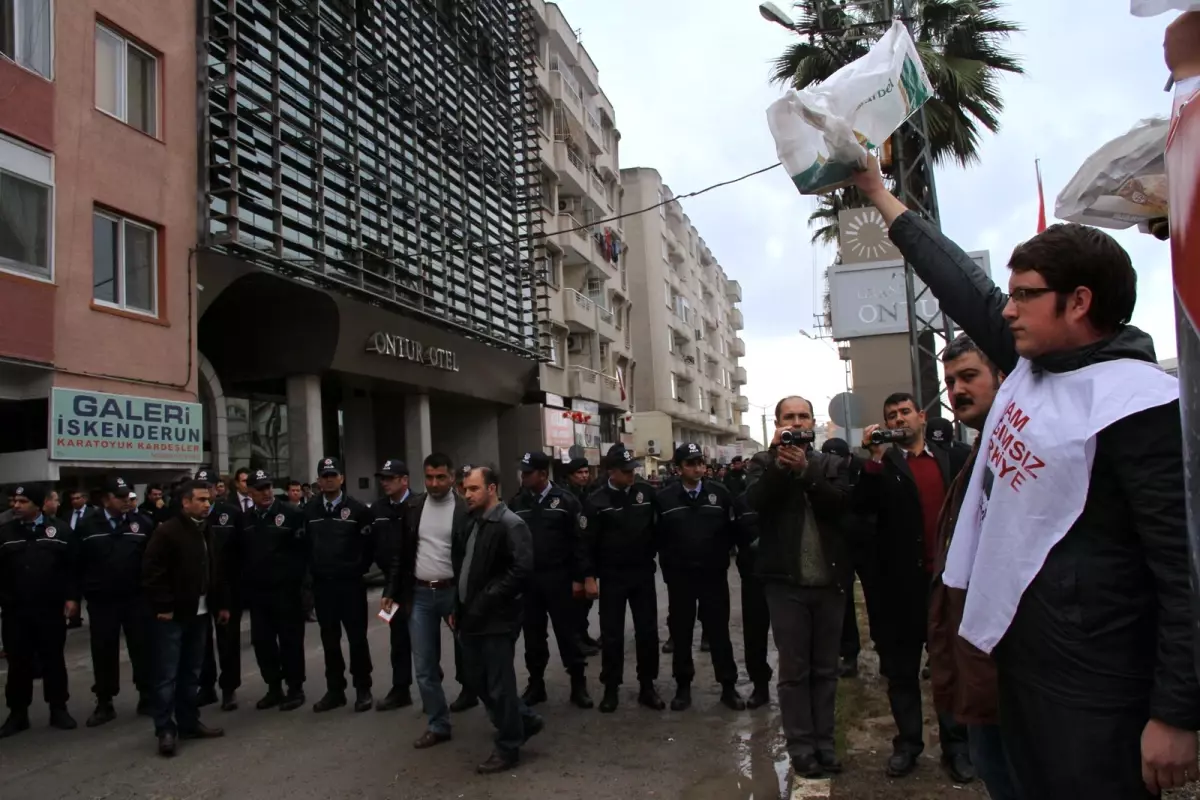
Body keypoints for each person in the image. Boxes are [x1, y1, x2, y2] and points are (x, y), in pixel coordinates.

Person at [853, 155, 1200, 797]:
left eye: (1024, 296)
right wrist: (876, 191)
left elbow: (1182, 569)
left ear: (1079, 302)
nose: (1005, 311)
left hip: (1094, 694)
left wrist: (1177, 712)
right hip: (1010, 662)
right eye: (1007, 295)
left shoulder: (1140, 406)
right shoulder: (1031, 365)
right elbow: (957, 281)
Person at [857, 393, 972, 782]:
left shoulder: (951, 458)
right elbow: (863, 513)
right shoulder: (880, 466)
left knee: (948, 669)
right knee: (901, 672)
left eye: (905, 412)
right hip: (899, 590)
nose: (899, 419)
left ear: (921, 417)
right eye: (891, 415)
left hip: (945, 584)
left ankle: (956, 746)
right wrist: (873, 460)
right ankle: (908, 744)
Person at [926, 334, 1019, 800]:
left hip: (1016, 667)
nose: (957, 390)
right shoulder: (985, 449)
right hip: (980, 657)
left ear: (1002, 376)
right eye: (949, 382)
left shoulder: (1017, 452)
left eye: (969, 377)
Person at [745, 397, 852, 778]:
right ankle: (802, 747)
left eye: (802, 416)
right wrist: (778, 463)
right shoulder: (761, 463)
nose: (796, 423)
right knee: (794, 671)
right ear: (776, 424)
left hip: (829, 582)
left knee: (826, 669)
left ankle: (825, 744)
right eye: (788, 417)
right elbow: (757, 502)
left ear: (814, 422)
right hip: (785, 584)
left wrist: (807, 471)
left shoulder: (832, 463)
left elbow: (840, 505)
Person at [453, 465, 544, 773]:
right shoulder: (473, 523)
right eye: (465, 489)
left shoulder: (510, 524)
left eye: (474, 489)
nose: (467, 494)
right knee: (476, 678)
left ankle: (508, 746)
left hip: (497, 618)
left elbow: (520, 571)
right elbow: (464, 567)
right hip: (472, 617)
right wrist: (460, 605)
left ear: (491, 489)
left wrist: (487, 599)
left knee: (498, 684)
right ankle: (525, 720)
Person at [383, 453, 474, 751]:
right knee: (424, 665)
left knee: (476, 655)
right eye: (429, 477)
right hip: (419, 595)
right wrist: (392, 590)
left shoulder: (465, 508)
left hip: (454, 593)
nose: (434, 483)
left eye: (441, 477)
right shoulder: (413, 507)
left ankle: (503, 713)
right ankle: (438, 723)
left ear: (452, 478)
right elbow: (401, 553)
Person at [656, 443, 744, 712]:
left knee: (718, 632)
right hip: (681, 578)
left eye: (700, 463)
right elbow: (658, 537)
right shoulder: (665, 498)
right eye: (691, 464)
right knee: (681, 634)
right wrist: (670, 568)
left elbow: (732, 531)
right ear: (679, 468)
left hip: (713, 576)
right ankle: (683, 687)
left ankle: (728, 686)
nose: (697, 468)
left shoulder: (719, 493)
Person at [142, 480, 227, 756]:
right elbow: (152, 572)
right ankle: (165, 728)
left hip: (200, 613)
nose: (207, 504)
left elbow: (213, 568)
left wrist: (220, 604)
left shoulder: (206, 529)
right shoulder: (168, 532)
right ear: (185, 502)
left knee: (192, 672)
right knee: (167, 675)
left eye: (209, 499)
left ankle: (189, 722)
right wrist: (164, 605)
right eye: (201, 499)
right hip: (172, 616)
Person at [583, 443, 664, 713]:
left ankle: (647, 685)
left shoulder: (646, 494)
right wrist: (588, 576)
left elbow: (660, 528)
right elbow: (586, 544)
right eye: (626, 471)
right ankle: (611, 687)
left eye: (633, 470)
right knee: (612, 634)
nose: (632, 476)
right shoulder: (597, 501)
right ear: (611, 472)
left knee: (647, 632)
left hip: (641, 574)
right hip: (612, 576)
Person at [509, 451, 594, 709]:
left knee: (568, 633)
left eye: (528, 472)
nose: (523, 477)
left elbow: (580, 543)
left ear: (543, 474)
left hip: (559, 578)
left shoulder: (565, 501)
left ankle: (578, 685)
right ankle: (536, 685)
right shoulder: (517, 503)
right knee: (533, 636)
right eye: (522, 472)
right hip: (529, 581)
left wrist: (582, 578)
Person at [227, 469, 309, 712]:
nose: (266, 492)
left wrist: (301, 588)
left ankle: (295, 688)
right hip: (259, 594)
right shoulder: (245, 519)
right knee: (263, 643)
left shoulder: (291, 514)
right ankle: (274, 687)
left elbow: (302, 553)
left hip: (286, 592)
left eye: (268, 487)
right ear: (249, 492)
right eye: (259, 488)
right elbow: (238, 555)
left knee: (290, 641)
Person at [0, 485, 77, 737]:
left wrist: (72, 597)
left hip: (50, 609)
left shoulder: (60, 531)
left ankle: (58, 708)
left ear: (38, 504)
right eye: (14, 500)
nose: (16, 505)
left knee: (53, 659)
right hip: (16, 610)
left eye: (22, 501)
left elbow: (72, 568)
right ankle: (18, 713)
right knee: (18, 662)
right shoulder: (5, 532)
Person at [76, 476, 154, 726]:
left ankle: (147, 696)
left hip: (136, 599)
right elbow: (76, 564)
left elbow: (153, 562)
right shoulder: (88, 526)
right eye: (120, 497)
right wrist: (77, 596)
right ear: (105, 499)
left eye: (127, 496)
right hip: (102, 602)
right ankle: (105, 701)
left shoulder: (141, 523)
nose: (125, 501)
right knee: (103, 650)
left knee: (143, 649)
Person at [305, 456, 376, 713]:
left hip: (350, 586)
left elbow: (368, 548)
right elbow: (305, 547)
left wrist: (357, 569)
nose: (329, 479)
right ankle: (335, 690)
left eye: (333, 474)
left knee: (357, 639)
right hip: (324, 587)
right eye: (324, 476)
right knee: (330, 640)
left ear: (342, 478)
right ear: (318, 480)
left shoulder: (358, 510)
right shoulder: (310, 510)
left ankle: (363, 688)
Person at [196, 467, 244, 711]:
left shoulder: (231, 514)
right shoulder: (188, 516)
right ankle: (206, 687)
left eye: (209, 488)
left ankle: (229, 688)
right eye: (200, 489)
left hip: (227, 589)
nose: (205, 493)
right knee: (201, 642)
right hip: (199, 591)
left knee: (228, 641)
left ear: (217, 489)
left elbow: (240, 554)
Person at [370, 459, 415, 712]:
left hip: (417, 582)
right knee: (398, 639)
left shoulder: (419, 504)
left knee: (423, 636)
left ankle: (440, 680)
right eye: (383, 478)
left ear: (404, 480)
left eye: (390, 478)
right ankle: (401, 689)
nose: (384, 482)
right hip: (391, 586)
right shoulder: (377, 509)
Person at [733, 491, 772, 709]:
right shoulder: (744, 500)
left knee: (793, 638)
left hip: (785, 577)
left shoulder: (793, 492)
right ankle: (760, 684)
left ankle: (797, 687)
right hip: (754, 576)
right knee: (755, 635)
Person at [562, 457, 600, 655]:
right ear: (570, 476)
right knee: (574, 603)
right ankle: (575, 639)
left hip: (587, 555)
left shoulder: (588, 493)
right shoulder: (567, 496)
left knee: (586, 601)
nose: (584, 476)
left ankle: (583, 634)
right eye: (580, 473)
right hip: (571, 558)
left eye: (586, 472)